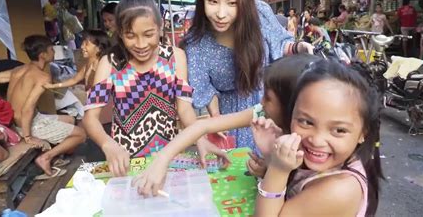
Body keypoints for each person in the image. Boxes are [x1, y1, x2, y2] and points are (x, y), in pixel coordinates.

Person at [82, 0, 227, 177]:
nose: (141, 44)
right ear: (119, 33)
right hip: (128, 163)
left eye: (149, 34)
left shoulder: (176, 57)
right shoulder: (110, 63)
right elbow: (90, 118)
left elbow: (184, 110)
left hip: (171, 158)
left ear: (160, 28)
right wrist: (107, 144)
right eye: (130, 36)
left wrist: (199, 138)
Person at [134, 54, 321, 196]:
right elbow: (203, 126)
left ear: (290, 104)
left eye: (268, 98)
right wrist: (162, 159)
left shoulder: (315, 148)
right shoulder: (262, 112)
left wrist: (273, 169)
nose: (261, 101)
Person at [183, 0, 312, 151]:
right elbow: (206, 93)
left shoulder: (259, 13)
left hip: (270, 114)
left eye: (232, 3)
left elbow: (280, 44)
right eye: (212, 2)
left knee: (276, 171)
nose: (221, 13)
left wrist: (299, 48)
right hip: (230, 124)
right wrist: (217, 123)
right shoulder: (196, 42)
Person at [254, 60, 383, 217]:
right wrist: (272, 155)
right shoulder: (333, 161)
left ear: (363, 133)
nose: (317, 140)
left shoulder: (340, 190)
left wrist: (277, 169)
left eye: (339, 130)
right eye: (306, 122)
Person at [0, 35, 87, 176]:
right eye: (51, 49)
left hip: (16, 122)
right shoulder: (42, 76)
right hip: (27, 125)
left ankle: (55, 157)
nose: (54, 52)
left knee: (70, 119)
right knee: (81, 134)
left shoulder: (18, 70)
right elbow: (28, 108)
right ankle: (46, 158)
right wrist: (27, 137)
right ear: (43, 55)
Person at [44, 30, 111, 92]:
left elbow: (99, 93)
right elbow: (74, 80)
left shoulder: (103, 67)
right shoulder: (89, 64)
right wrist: (53, 86)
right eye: (83, 43)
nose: (82, 46)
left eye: (86, 44)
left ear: (99, 48)